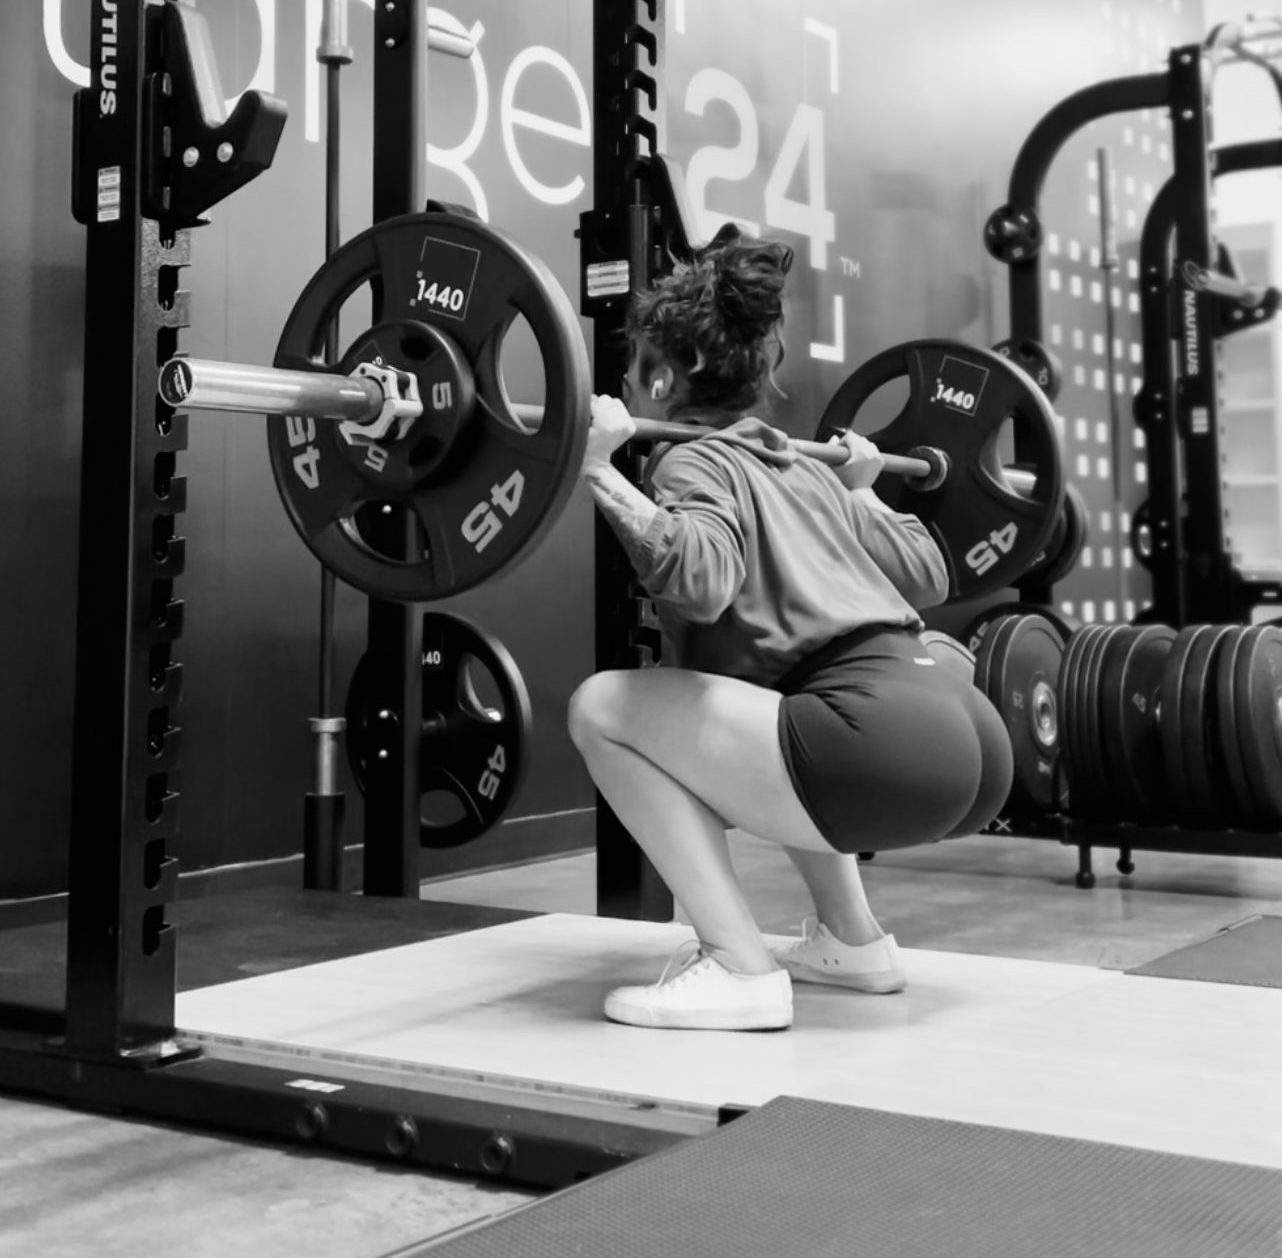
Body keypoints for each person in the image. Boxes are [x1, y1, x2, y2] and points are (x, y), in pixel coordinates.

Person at [569, 226, 1013, 1032]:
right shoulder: (799, 465)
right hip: (962, 734)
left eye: (632, 372)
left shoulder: (690, 460)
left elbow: (700, 581)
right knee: (787, 703)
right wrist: (868, 489)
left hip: (878, 748)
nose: (628, 389)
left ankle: (739, 965)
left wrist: (598, 469)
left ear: (663, 378)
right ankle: (855, 941)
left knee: (601, 707)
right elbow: (929, 572)